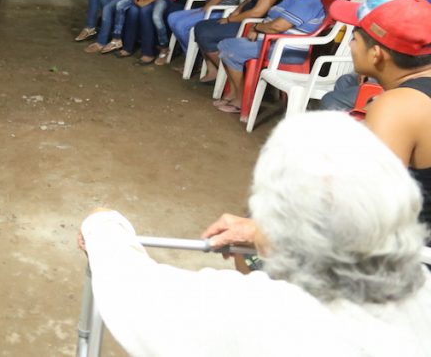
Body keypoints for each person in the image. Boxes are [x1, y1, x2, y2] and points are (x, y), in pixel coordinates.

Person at [82, 111, 431, 357]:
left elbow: (135, 290)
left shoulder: (271, 315)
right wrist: (266, 232)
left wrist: (102, 224)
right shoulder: (422, 282)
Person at [321, 0, 431, 223]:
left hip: (413, 251)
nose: (350, 45)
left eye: (354, 38)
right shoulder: (410, 98)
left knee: (254, 238)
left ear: (376, 54)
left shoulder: (397, 107)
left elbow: (365, 215)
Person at [213, 0, 327, 114]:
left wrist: (257, 27)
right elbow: (271, 20)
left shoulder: (309, 2)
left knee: (229, 47)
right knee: (226, 46)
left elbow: (276, 27)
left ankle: (242, 100)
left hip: (286, 50)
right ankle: (234, 93)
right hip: (270, 42)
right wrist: (257, 28)